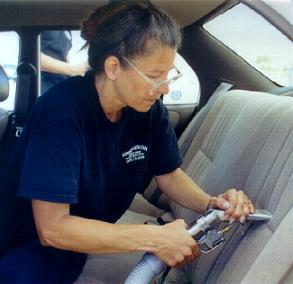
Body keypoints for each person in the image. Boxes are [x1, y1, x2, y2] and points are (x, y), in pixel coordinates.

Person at [0, 0, 255, 283]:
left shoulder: (147, 110)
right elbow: (53, 229)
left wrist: (211, 205)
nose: (166, 87)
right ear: (112, 67)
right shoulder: (61, 112)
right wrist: (154, 238)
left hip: (74, 246)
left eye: (169, 74)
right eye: (156, 75)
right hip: (23, 249)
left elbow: (169, 175)